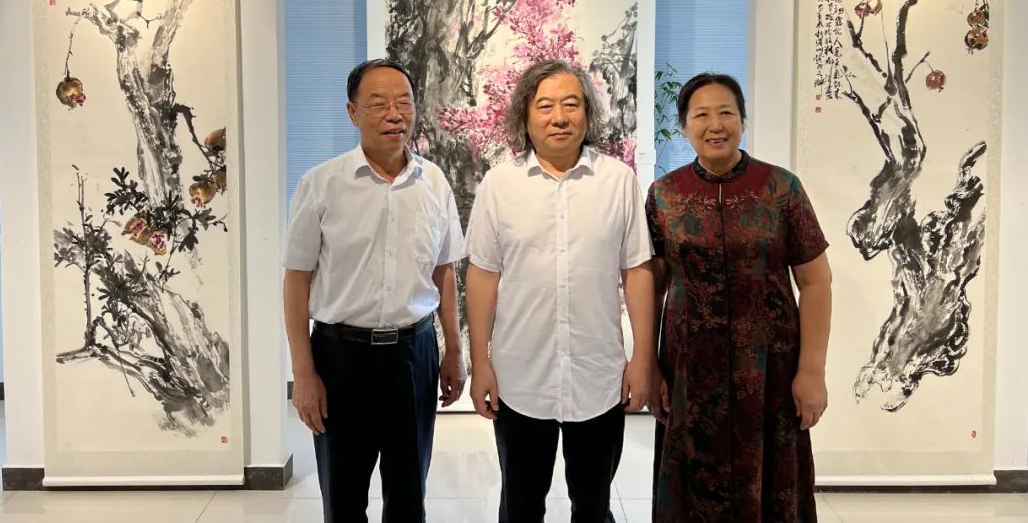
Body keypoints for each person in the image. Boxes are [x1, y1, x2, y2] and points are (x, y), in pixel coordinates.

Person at [465, 59, 656, 523]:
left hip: (598, 377)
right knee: (520, 506)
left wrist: (642, 359)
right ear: (525, 116)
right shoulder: (500, 184)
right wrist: (480, 362)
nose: (559, 117)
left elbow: (637, 271)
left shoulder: (618, 181)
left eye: (571, 104)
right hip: (520, 378)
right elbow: (483, 274)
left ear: (587, 113)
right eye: (545, 105)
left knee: (592, 506)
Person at [282, 59, 466, 523]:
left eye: (404, 102)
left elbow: (444, 271)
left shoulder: (434, 182)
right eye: (379, 104)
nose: (394, 114)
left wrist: (454, 350)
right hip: (339, 358)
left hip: (414, 355)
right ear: (352, 112)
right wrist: (303, 373)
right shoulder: (321, 184)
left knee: (408, 497)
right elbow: (296, 279)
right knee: (344, 501)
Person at [645, 72, 833, 522]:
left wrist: (811, 371)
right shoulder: (664, 196)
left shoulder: (781, 189)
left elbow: (816, 282)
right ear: (684, 126)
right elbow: (652, 285)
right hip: (690, 371)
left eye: (726, 113)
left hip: (770, 372)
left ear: (743, 121)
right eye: (701, 115)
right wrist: (648, 365)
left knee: (771, 486)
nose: (715, 125)